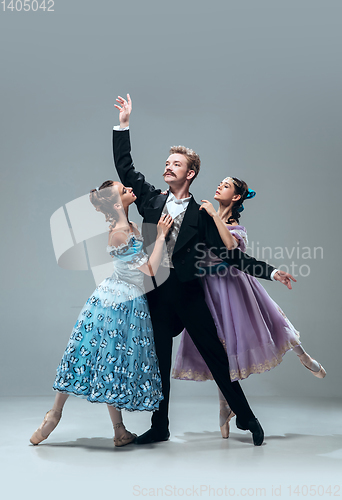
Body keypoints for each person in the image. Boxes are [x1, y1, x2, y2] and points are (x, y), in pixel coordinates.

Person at [112, 94, 296, 446]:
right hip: (157, 293)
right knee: (159, 361)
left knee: (217, 357)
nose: (167, 167)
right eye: (166, 162)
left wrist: (273, 272)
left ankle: (247, 417)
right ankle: (160, 425)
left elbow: (234, 258)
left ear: (190, 173)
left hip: (189, 293)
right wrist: (123, 124)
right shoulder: (150, 199)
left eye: (175, 164)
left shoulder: (201, 215)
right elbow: (125, 166)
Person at [172, 176, 326, 438]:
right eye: (220, 183)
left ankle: (303, 356)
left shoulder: (232, 225)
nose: (219, 186)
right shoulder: (204, 217)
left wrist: (275, 272)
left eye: (227, 185)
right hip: (208, 289)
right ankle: (225, 406)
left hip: (235, 287)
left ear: (235, 197)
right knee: (221, 348)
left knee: (272, 319)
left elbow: (231, 249)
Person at [30, 181, 173, 447]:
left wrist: (161, 200)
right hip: (118, 302)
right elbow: (151, 271)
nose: (130, 188)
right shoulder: (120, 231)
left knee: (110, 360)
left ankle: (119, 430)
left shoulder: (129, 226)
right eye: (124, 188)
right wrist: (162, 235)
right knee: (90, 354)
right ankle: (55, 414)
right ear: (117, 201)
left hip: (126, 300)